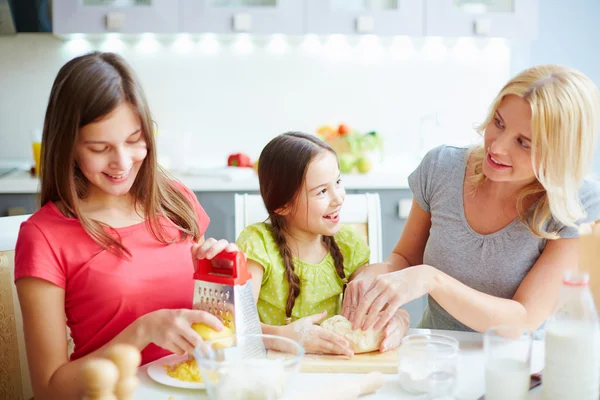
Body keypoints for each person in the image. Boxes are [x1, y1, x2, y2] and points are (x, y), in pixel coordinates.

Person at [14, 52, 236, 399]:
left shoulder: (176, 200)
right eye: (100, 148)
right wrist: (143, 330)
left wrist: (219, 277)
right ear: (68, 146)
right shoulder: (44, 236)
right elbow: (48, 390)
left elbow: (206, 325)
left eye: (134, 141)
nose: (122, 162)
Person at [343, 65, 600, 334]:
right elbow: (406, 258)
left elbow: (522, 320)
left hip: (515, 365)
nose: (497, 147)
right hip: (435, 351)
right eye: (498, 122)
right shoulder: (442, 167)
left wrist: (432, 280)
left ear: (559, 154)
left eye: (523, 142)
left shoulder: (578, 202)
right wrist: (379, 273)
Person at [237, 132, 409, 357]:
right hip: (273, 371)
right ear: (282, 206)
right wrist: (284, 337)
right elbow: (235, 326)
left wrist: (399, 320)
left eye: (338, 182)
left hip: (332, 369)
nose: (338, 198)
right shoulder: (257, 245)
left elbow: (377, 305)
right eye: (322, 192)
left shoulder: (348, 245)